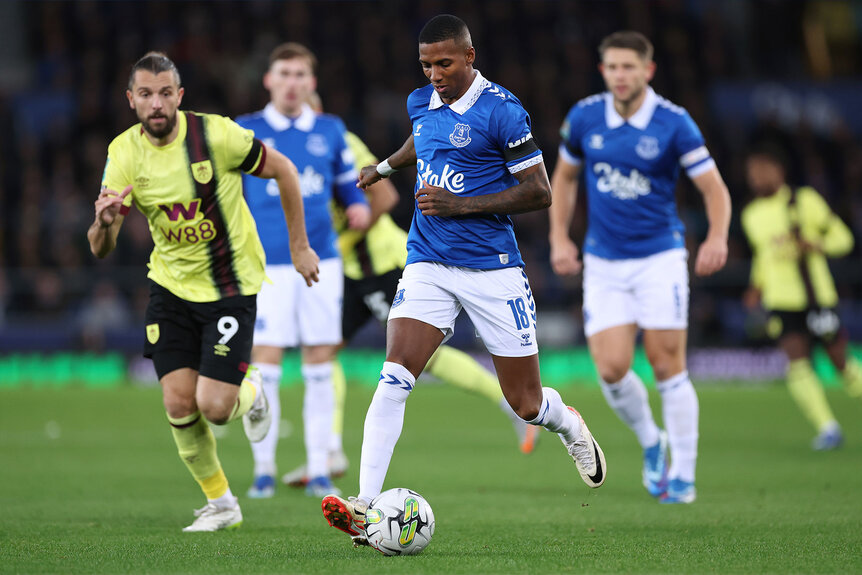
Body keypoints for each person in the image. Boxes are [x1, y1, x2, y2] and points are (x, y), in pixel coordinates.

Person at [321, 14, 606, 547]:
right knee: (394, 374)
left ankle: (565, 420)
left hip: (492, 268)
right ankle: (363, 505)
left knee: (524, 402)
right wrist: (382, 169)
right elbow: (420, 142)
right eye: (426, 64)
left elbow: (539, 191)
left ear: (470, 57)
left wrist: (460, 204)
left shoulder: (502, 111)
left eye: (445, 63)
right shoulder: (421, 100)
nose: (435, 74)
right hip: (426, 258)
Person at [88, 52, 319, 532]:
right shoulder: (123, 153)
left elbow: (286, 172)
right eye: (146, 94)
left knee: (215, 408)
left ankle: (251, 391)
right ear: (131, 100)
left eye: (165, 93)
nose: (157, 104)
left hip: (230, 287)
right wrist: (104, 223)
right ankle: (222, 504)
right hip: (170, 287)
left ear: (179, 96)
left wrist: (300, 248)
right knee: (178, 403)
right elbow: (101, 249)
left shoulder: (216, 136)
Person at [279, 94, 538, 489]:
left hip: (381, 264)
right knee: (323, 349)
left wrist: (335, 245)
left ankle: (508, 403)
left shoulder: (340, 142)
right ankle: (331, 449)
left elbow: (384, 197)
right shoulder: (287, 152)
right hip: (350, 271)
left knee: (418, 361)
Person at [548, 31, 731, 504]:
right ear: (602, 70)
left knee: (668, 364)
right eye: (611, 67)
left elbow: (714, 189)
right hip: (604, 261)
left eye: (629, 67)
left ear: (647, 71)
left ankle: (684, 477)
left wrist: (715, 236)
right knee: (610, 368)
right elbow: (564, 178)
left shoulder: (674, 123)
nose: (620, 75)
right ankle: (652, 440)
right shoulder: (585, 116)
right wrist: (558, 236)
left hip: (659, 258)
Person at [236, 43, 371, 499]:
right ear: (268, 81)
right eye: (284, 74)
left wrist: (358, 208)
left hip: (320, 263)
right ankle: (264, 471)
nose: (291, 82)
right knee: (266, 367)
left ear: (311, 84)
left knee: (318, 364)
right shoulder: (245, 132)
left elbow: (348, 189)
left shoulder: (330, 131)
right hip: (266, 265)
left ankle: (318, 469)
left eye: (299, 75)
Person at [741, 143, 862, 450]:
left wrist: (815, 244)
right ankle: (828, 428)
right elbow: (763, 256)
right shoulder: (751, 215)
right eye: (752, 172)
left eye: (762, 170)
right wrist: (756, 286)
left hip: (816, 296)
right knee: (796, 363)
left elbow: (843, 239)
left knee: (840, 363)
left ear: (779, 170)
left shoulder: (804, 201)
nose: (756, 177)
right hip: (781, 301)